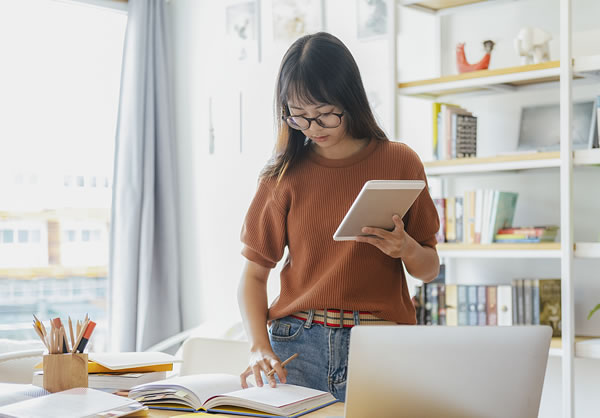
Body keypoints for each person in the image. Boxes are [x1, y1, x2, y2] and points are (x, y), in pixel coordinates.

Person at [237, 32, 440, 402]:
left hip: (381, 343)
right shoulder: (282, 176)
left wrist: (405, 247)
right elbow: (253, 275)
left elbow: (429, 269)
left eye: (325, 115)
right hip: (297, 344)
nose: (313, 128)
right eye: (298, 117)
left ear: (350, 99)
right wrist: (257, 346)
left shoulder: (400, 161)